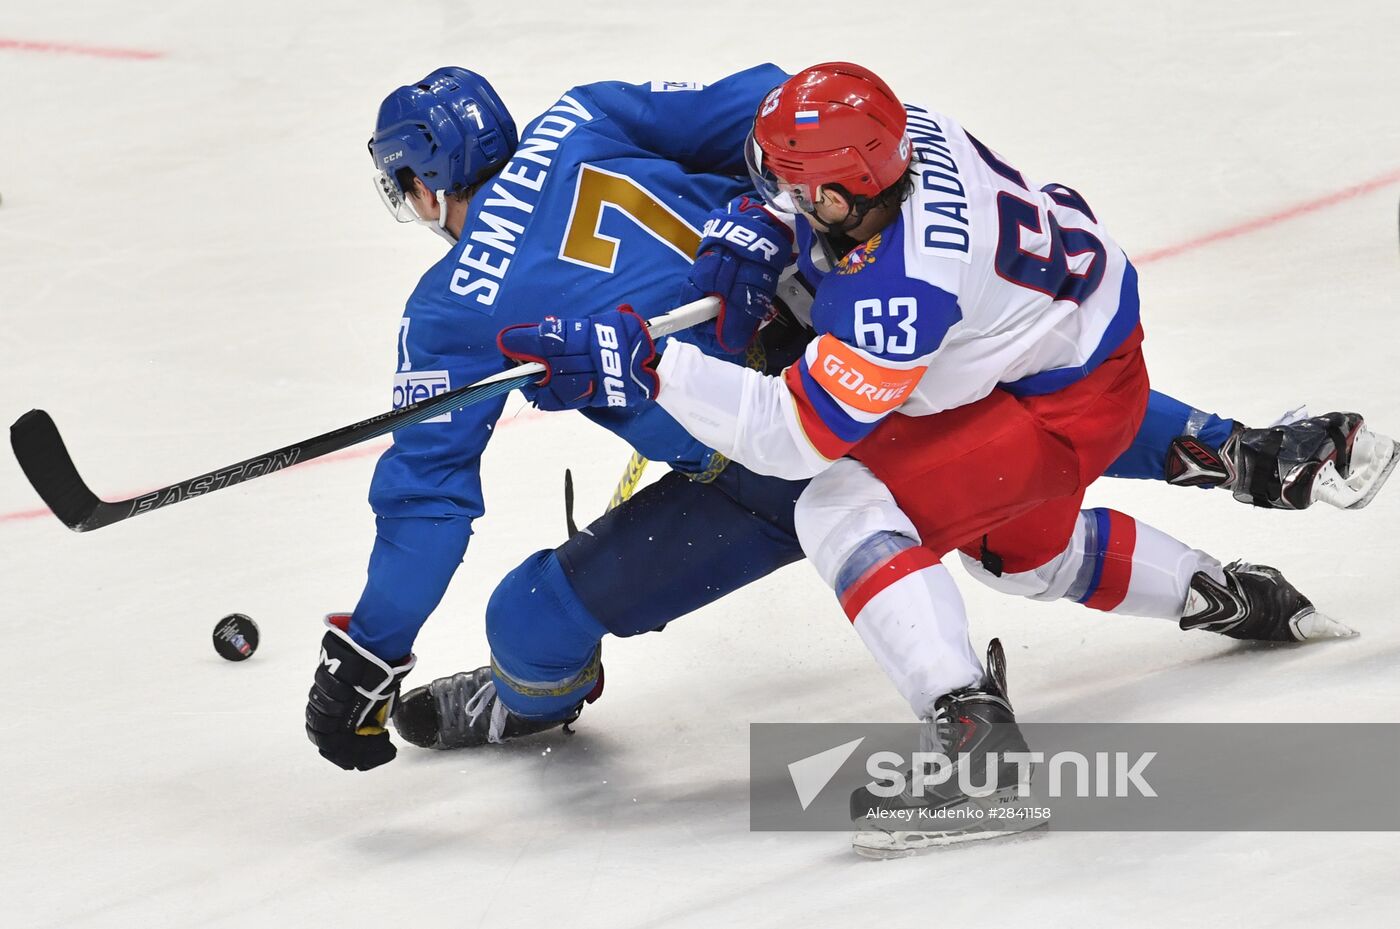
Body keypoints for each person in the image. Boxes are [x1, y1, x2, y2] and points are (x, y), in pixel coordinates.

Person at [305, 64, 1395, 778]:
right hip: (902, 340)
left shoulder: (445, 312)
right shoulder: (582, 112)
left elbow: (427, 503)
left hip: (775, 440)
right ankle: (1233, 460)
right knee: (997, 433)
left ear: (425, 180)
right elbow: (770, 104)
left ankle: (529, 705)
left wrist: (372, 644)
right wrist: (744, 219)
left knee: (535, 611)